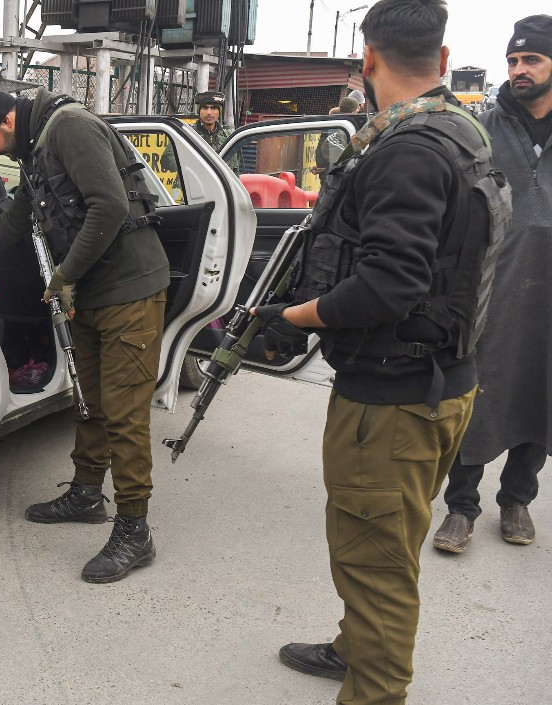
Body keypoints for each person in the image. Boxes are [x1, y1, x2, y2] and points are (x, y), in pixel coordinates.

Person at [254, 1, 510, 703]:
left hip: (392, 400)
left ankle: (375, 687)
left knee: (377, 564)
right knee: (385, 547)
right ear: (445, 60)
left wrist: (291, 314)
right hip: (441, 381)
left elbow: (389, 283)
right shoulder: (462, 132)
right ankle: (354, 645)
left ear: (366, 61)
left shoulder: (406, 151)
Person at [0, 87, 169, 584]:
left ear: (8, 118)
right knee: (89, 399)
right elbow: (14, 221)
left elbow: (110, 206)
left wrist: (65, 274)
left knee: (123, 411)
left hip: (130, 290)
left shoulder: (69, 127)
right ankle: (87, 493)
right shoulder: (35, 150)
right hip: (91, 290)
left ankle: (135, 530)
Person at [433, 14, 552, 554]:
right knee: (477, 394)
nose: (519, 70)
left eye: (532, 59)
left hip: (547, 295)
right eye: (513, 60)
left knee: (539, 392)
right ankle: (461, 507)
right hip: (491, 290)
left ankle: (517, 500)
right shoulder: (484, 126)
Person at [191, 91, 240, 170]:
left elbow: (235, 169)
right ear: (199, 111)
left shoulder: (228, 137)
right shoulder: (187, 133)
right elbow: (168, 160)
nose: (209, 112)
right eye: (205, 108)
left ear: (219, 111)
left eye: (213, 108)